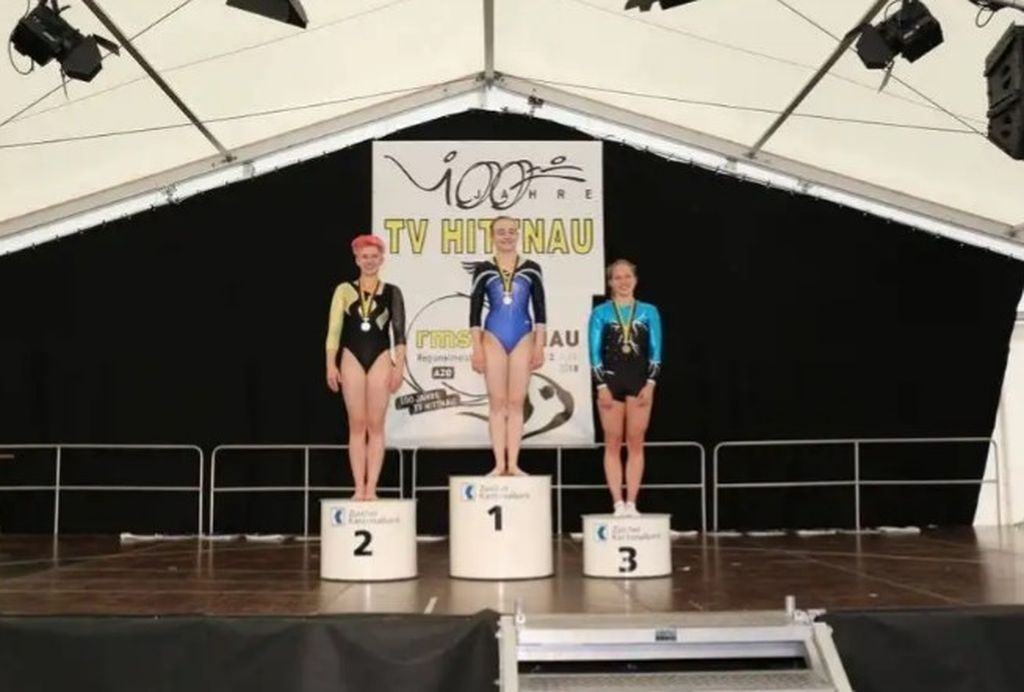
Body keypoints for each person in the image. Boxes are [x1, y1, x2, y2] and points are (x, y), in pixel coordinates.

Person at [325, 234, 406, 500]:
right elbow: (334, 331)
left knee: (376, 425)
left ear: (382, 259)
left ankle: (372, 488)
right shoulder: (344, 290)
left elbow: (399, 334)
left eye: (374, 256)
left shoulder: (392, 292)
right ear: (357, 260)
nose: (369, 261)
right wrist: (330, 365)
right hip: (351, 357)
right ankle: (358, 487)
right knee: (357, 425)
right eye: (364, 257)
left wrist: (399, 367)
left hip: (381, 357)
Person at [469, 215, 546, 476]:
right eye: (501, 232)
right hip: (492, 337)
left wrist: (539, 345)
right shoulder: (483, 268)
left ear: (518, 234)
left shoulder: (532, 268)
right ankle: (498, 464)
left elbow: (540, 310)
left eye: (511, 231)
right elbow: (474, 311)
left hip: (523, 337)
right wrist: (477, 348)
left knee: (515, 402)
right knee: (497, 402)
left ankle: (513, 464)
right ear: (492, 236)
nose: (506, 236)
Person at [588, 259, 662, 516]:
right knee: (612, 442)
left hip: (640, 382)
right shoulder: (601, 313)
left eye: (627, 276)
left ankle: (632, 503)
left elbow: (656, 350)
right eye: (617, 277)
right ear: (610, 282)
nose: (623, 282)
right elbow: (594, 352)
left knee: (636, 442)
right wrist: (601, 386)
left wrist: (651, 384)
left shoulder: (649, 311)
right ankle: (617, 503)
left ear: (635, 280)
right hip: (610, 383)